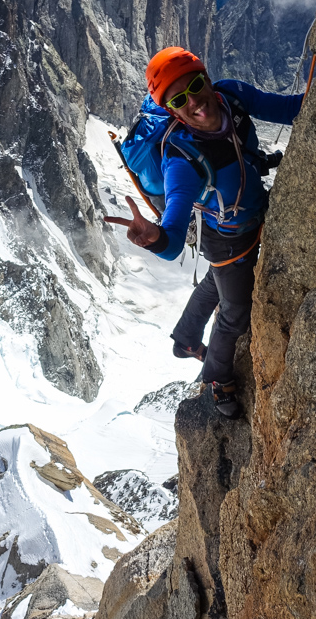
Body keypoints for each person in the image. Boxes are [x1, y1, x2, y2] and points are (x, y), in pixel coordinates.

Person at [105, 46, 303, 419]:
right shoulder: (180, 160)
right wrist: (155, 239)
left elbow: (289, 110)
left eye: (196, 85)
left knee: (218, 279)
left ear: (207, 78)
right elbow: (174, 235)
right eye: (179, 99)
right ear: (170, 111)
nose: (195, 102)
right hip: (229, 238)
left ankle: (185, 338)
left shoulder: (232, 96)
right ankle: (216, 379)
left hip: (246, 220)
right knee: (235, 311)